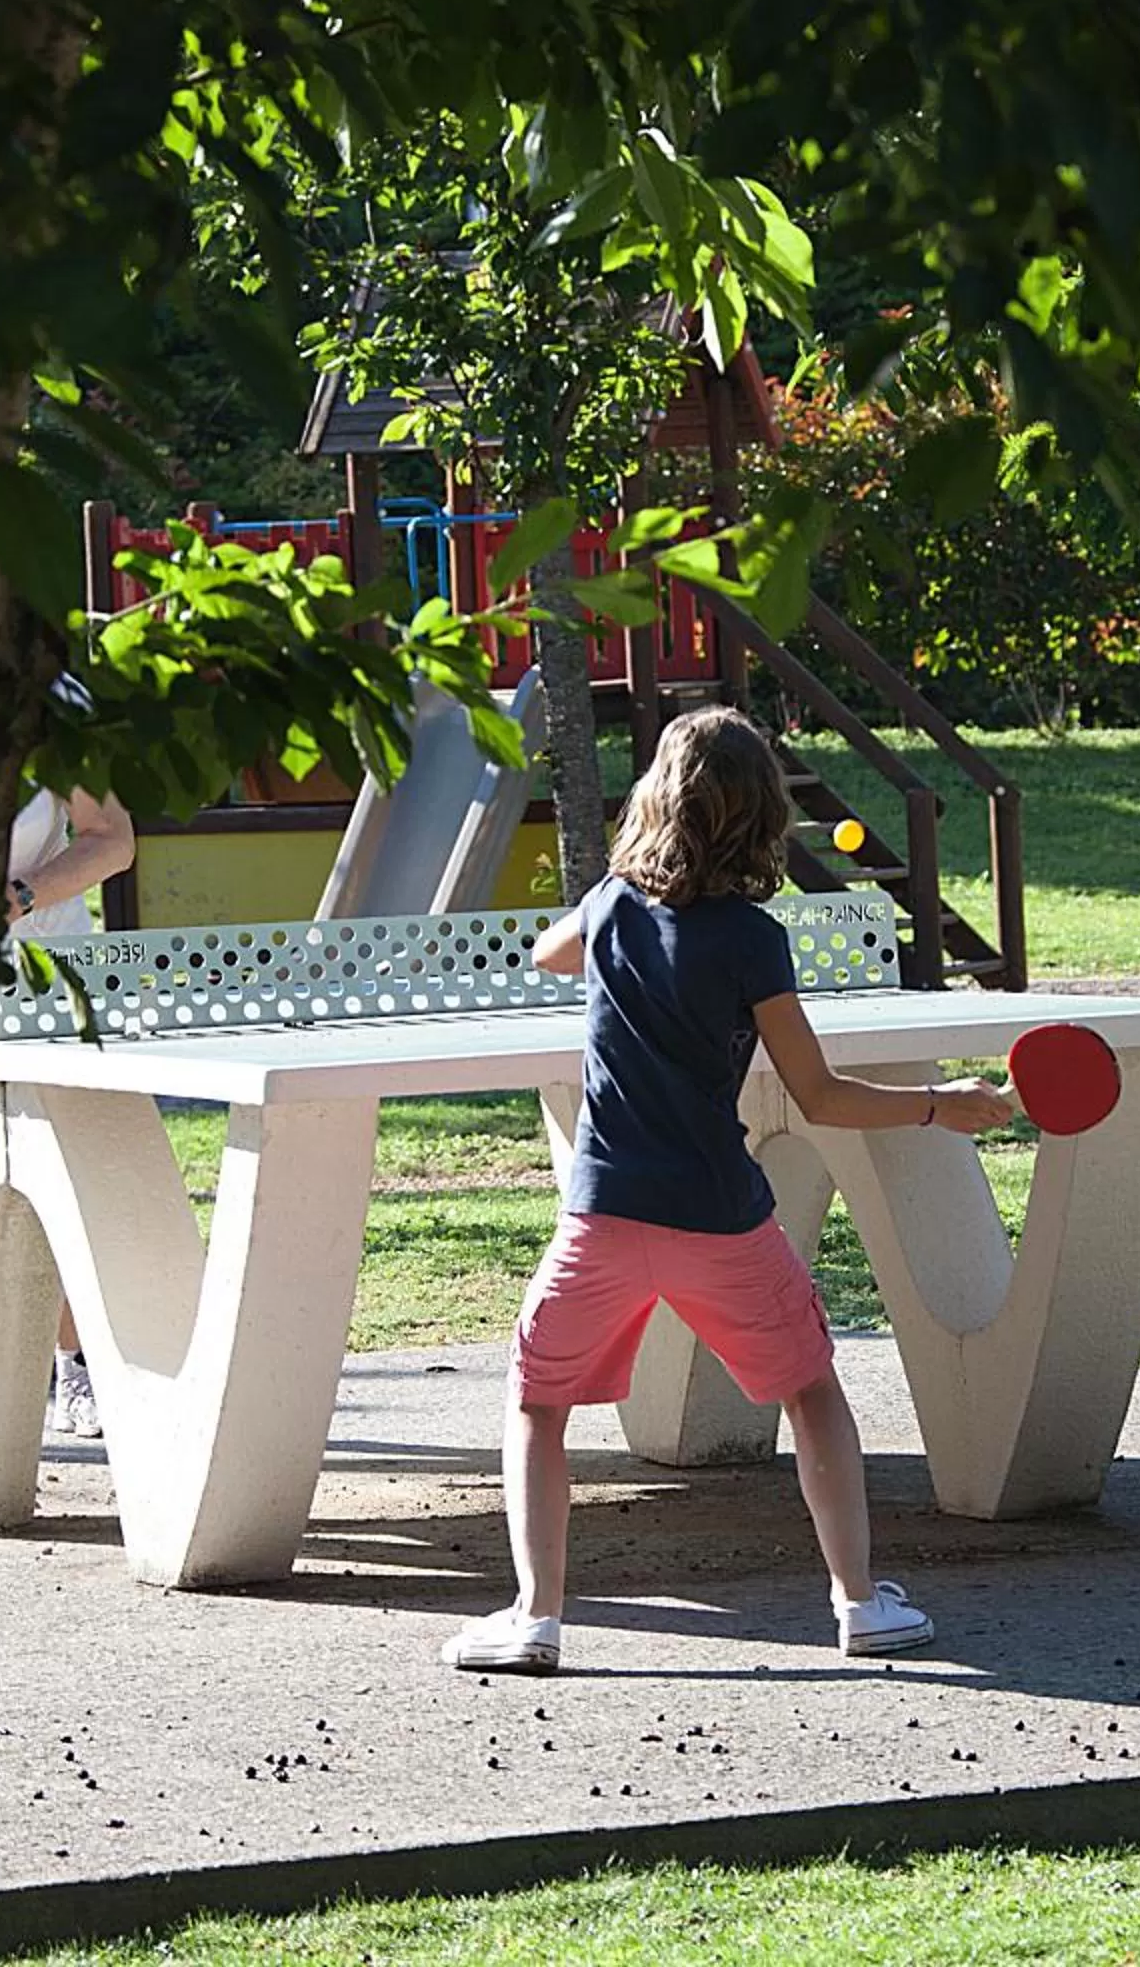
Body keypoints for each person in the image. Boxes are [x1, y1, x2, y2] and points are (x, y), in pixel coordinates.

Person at [440, 708, 1014, 1676]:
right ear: (761, 822)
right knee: (810, 1389)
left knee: (539, 1400)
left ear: (655, 805)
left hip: (606, 1215)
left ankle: (536, 1615)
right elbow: (820, 1093)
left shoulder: (613, 904)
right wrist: (939, 1104)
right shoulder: (753, 941)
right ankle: (860, 1601)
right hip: (720, 1216)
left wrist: (614, 913)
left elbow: (549, 951)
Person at [2, 781, 137, 1438]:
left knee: (69, 1177)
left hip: (44, 978)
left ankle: (76, 1367)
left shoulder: (58, 716)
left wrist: (18, 898)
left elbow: (114, 843)